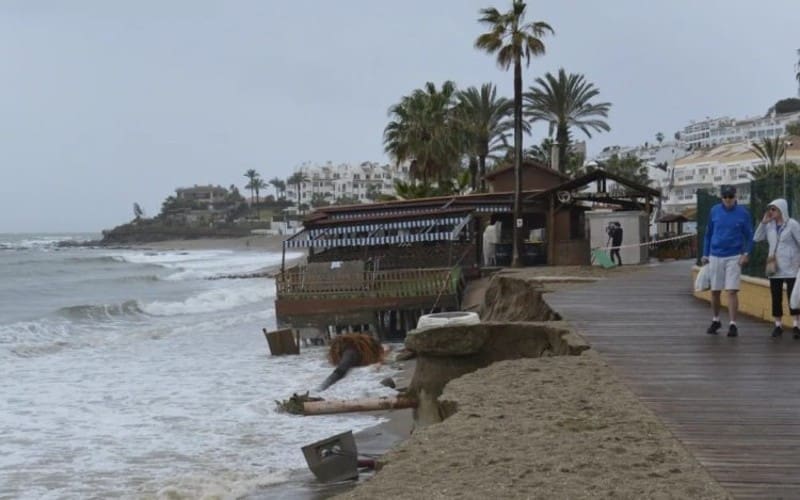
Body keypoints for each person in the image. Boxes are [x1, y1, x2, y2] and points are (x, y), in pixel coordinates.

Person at [701, 185, 753, 337]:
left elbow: (749, 236)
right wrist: (705, 254)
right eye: (725, 197)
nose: (728, 200)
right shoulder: (714, 211)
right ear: (721, 198)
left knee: (731, 290)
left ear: (735, 197)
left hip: (734, 256)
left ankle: (732, 323)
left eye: (730, 197)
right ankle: (716, 319)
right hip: (715, 255)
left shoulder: (743, 213)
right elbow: (708, 233)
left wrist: (746, 253)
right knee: (715, 290)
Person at [753, 198, 800, 338]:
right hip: (774, 267)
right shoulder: (769, 225)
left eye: (774, 209)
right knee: (776, 296)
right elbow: (756, 238)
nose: (771, 212)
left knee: (794, 296)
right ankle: (778, 325)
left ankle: (796, 325)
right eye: (770, 209)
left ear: (781, 210)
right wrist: (763, 223)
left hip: (791, 266)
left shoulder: (792, 224)